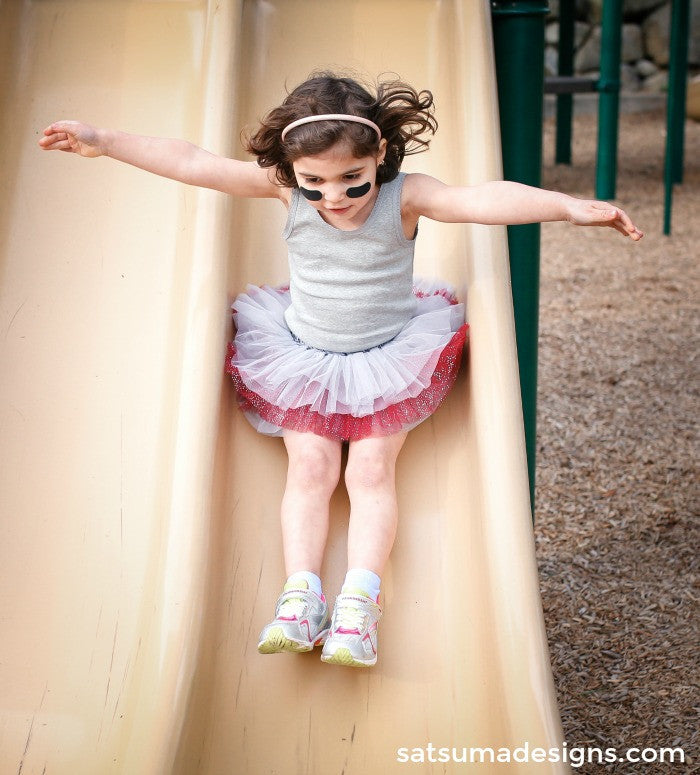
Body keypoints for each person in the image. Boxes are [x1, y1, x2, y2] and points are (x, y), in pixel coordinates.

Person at [39, 71, 643, 669]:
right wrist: (105, 140)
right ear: (290, 172)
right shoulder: (282, 189)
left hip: (391, 357)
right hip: (305, 358)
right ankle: (300, 596)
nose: (334, 196)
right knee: (310, 465)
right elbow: (194, 162)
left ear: (379, 152)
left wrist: (566, 206)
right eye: (314, 183)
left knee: (374, 467)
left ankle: (358, 604)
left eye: (353, 180)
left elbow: (480, 198)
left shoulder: (406, 195)